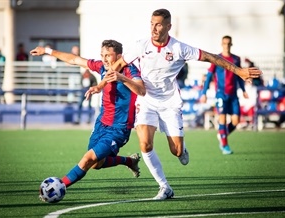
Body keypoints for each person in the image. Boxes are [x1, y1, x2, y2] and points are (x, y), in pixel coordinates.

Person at [86, 9, 262, 200]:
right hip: (147, 101)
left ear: (168, 26)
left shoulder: (179, 48)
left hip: (170, 103)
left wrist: (238, 71)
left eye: (159, 24)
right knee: (145, 143)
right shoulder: (140, 45)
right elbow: (118, 65)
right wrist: (101, 85)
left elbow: (212, 57)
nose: (154, 28)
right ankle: (164, 187)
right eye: (152, 23)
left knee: (176, 150)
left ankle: (182, 148)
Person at [30, 39, 146, 197]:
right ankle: (130, 161)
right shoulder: (102, 68)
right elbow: (74, 59)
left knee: (87, 159)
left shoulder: (129, 70)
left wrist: (122, 78)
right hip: (101, 124)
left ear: (119, 56)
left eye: (108, 55)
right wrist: (47, 51)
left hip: (119, 129)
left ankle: (57, 187)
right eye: (102, 55)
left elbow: (141, 90)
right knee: (96, 164)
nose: (104, 59)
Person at [200, 35, 249, 155]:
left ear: (231, 45)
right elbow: (209, 76)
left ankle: (222, 134)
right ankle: (225, 145)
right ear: (221, 44)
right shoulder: (216, 59)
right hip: (221, 94)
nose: (226, 46)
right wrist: (204, 93)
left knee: (236, 121)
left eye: (228, 43)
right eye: (224, 43)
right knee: (222, 118)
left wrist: (243, 90)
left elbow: (239, 76)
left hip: (233, 95)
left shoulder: (236, 59)